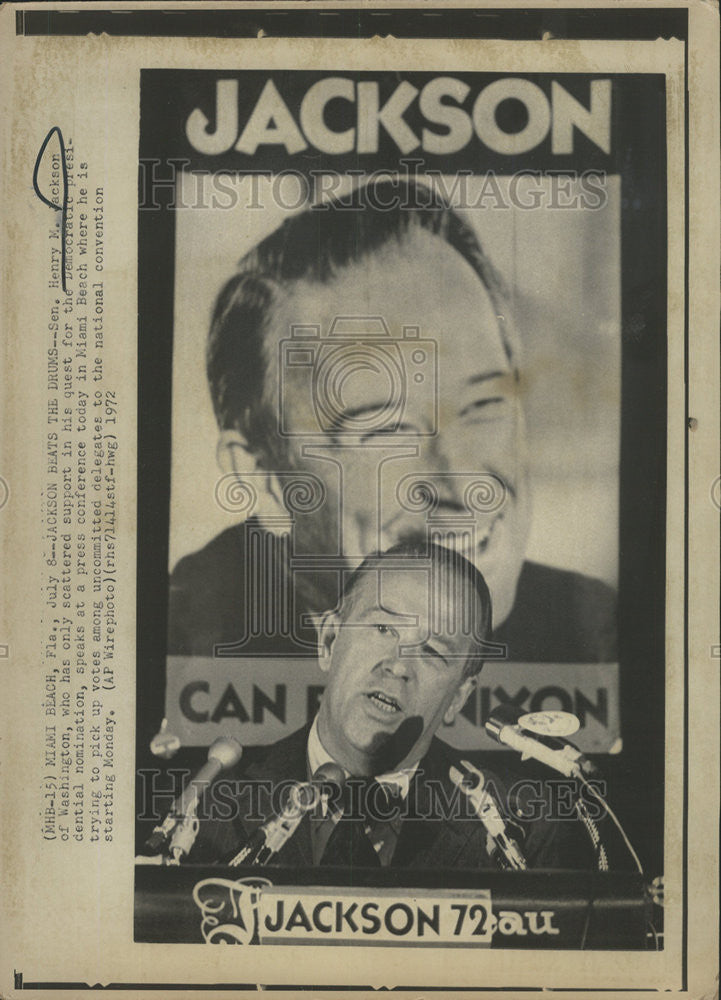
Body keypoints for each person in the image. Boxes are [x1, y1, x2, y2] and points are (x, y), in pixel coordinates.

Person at [168, 178, 616, 665]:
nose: (462, 482)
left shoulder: (596, 636)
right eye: (386, 431)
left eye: (483, 405)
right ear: (267, 480)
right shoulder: (178, 648)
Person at [189, 543, 590, 869]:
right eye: (382, 629)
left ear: (459, 697)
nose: (398, 665)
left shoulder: (522, 830)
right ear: (329, 640)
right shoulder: (205, 809)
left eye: (432, 650)